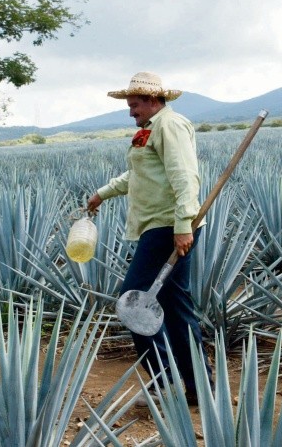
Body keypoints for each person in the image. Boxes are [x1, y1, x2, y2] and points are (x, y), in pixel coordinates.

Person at [86, 71, 212, 406]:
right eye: (129, 105)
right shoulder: (151, 130)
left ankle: (164, 382)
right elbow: (139, 173)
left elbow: (184, 175)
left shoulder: (170, 125)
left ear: (153, 100)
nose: (131, 112)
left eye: (135, 105)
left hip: (167, 227)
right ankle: (200, 387)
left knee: (133, 300)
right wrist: (102, 194)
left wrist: (183, 223)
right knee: (175, 306)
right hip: (163, 226)